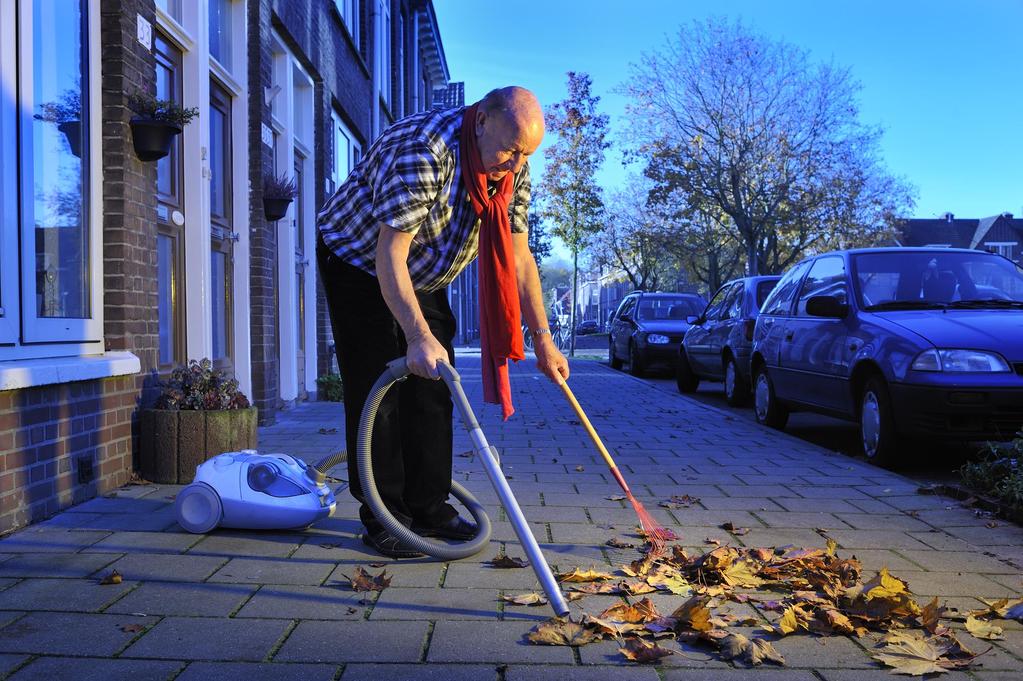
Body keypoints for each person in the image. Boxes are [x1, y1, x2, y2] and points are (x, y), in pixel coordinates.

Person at [315, 86, 569, 559]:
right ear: (481, 121)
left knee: (436, 382)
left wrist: (543, 340)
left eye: (526, 155)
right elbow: (390, 253)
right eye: (511, 150)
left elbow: (519, 257)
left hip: (425, 270)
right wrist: (415, 335)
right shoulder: (425, 151)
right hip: (359, 262)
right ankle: (385, 517)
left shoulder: (511, 167)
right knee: (379, 384)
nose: (515, 165)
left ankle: (429, 506)